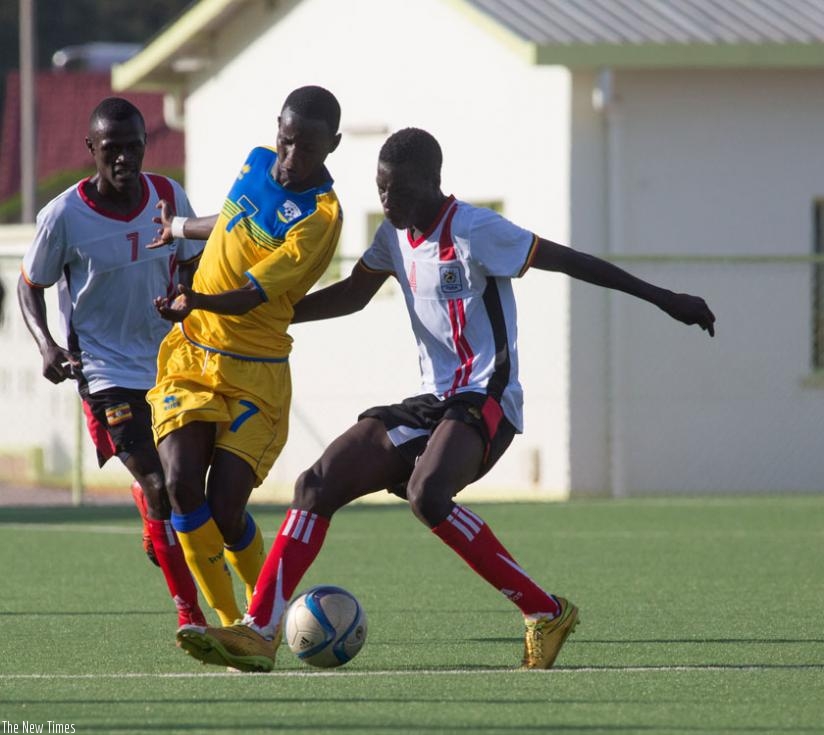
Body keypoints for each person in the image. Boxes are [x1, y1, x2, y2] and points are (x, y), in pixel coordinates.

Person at [175, 127, 716, 672]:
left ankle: (543, 611)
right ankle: (260, 630)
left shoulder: (476, 230)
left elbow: (573, 261)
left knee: (427, 494)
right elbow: (354, 295)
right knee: (316, 483)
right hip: (435, 402)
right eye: (381, 190)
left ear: (433, 183)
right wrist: (270, 312)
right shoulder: (394, 234)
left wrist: (665, 298)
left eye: (399, 191)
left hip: (489, 398)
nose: (388, 203)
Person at [146, 85, 343, 628]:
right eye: (286, 141)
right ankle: (231, 623)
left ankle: (266, 615)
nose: (291, 157)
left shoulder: (320, 217)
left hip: (257, 375)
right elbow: (231, 219)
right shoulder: (256, 162)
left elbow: (255, 293)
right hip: (193, 357)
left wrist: (197, 299)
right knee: (181, 484)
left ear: (334, 145)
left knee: (227, 508)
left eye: (307, 147)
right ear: (277, 128)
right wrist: (180, 229)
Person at [18, 97, 207, 629]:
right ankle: (189, 615)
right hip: (104, 371)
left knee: (186, 483)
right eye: (111, 150)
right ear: (91, 150)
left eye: (133, 148)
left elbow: (192, 268)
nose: (123, 159)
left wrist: (189, 305)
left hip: (172, 365)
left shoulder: (169, 196)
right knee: (159, 484)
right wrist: (47, 346)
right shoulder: (63, 216)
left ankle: (154, 522)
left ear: (146, 146)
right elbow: (29, 285)